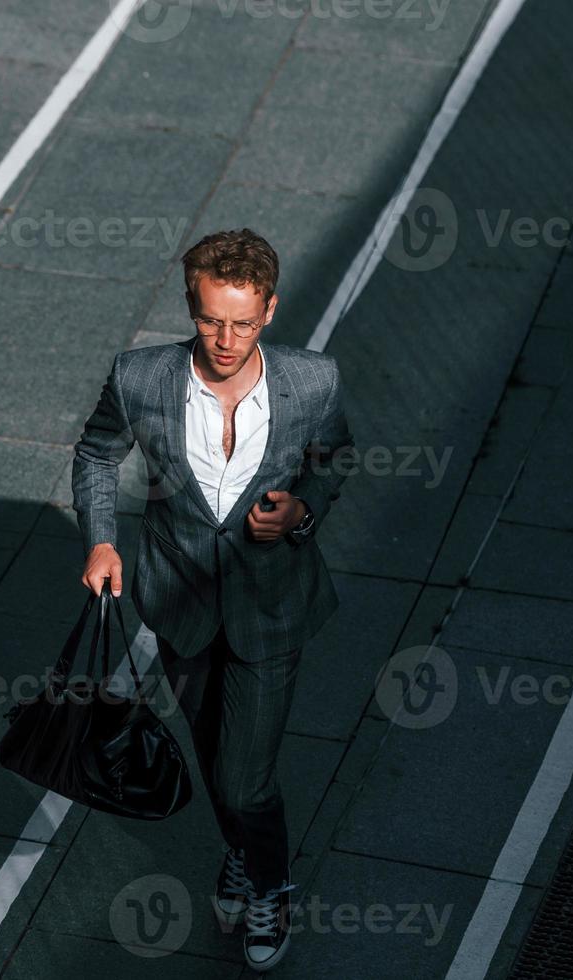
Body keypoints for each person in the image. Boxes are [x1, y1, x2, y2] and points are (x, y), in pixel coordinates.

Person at [71, 228, 355, 972]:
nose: (225, 340)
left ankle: (268, 887)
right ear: (189, 306)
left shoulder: (312, 381)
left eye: (243, 322)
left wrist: (302, 511)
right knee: (212, 756)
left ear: (269, 310)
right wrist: (100, 539)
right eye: (208, 319)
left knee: (242, 778)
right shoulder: (140, 378)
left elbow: (333, 458)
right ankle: (240, 851)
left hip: (271, 606)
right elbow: (98, 452)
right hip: (180, 603)